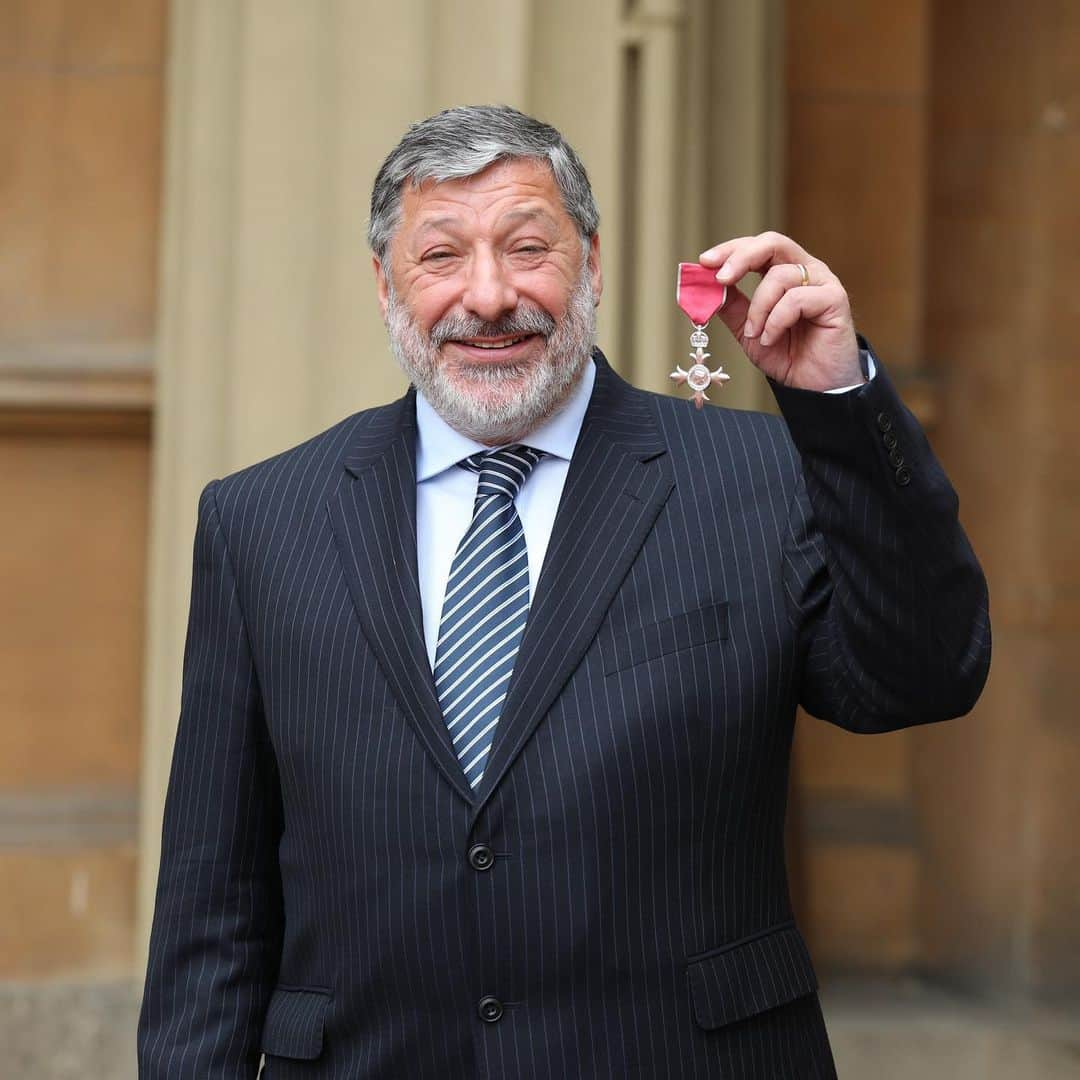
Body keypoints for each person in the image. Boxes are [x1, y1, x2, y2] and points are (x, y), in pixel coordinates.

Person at [137, 105, 990, 1079]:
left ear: (591, 263)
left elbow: (925, 674)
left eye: (528, 247)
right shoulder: (261, 521)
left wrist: (840, 405)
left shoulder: (755, 478)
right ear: (385, 284)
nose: (490, 295)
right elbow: (214, 897)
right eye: (442, 256)